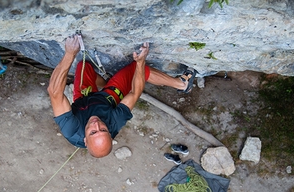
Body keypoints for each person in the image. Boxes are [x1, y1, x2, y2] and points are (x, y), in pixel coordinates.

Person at [47, 34, 197, 158]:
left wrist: (69, 54)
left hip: (84, 100)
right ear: (110, 133)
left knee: (83, 66)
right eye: (103, 130)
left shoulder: (71, 130)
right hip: (108, 98)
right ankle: (182, 85)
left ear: (85, 140)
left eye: (93, 131)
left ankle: (106, 82)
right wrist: (139, 63)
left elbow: (54, 92)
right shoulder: (115, 122)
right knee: (137, 70)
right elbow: (134, 92)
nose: (96, 124)